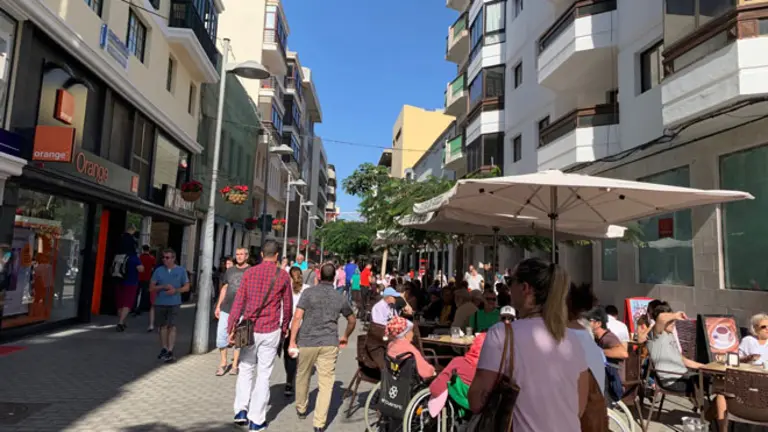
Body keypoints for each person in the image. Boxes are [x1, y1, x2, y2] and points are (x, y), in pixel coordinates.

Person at [468, 258, 591, 432]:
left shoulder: (502, 334)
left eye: (511, 282)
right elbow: (579, 406)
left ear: (525, 288)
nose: (508, 288)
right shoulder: (573, 339)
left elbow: (476, 401)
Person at [227, 241, 292, 430]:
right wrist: (285, 326)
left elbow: (239, 302)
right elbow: (287, 306)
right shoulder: (283, 276)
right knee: (264, 375)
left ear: (262, 254)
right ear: (277, 255)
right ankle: (256, 420)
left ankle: (241, 410)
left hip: (248, 328)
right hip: (271, 329)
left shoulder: (249, 273)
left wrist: (231, 327)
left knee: (246, 368)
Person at [289, 263, 356, 432]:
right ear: (334, 278)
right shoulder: (339, 297)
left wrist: (292, 341)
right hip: (329, 342)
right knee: (326, 383)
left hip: (306, 341)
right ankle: (319, 423)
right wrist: (346, 336)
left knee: (302, 376)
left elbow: (297, 318)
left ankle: (301, 408)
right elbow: (352, 319)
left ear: (318, 276)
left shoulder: (308, 292)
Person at [646, 302, 728, 431]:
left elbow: (683, 360)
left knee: (719, 384)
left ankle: (710, 416)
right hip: (672, 381)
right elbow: (661, 318)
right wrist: (675, 314)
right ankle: (718, 423)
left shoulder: (670, 335)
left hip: (684, 375)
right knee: (719, 389)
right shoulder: (656, 335)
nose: (674, 324)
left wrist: (706, 367)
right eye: (671, 321)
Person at [214, 248, 250, 376]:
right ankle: (223, 363)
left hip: (243, 310)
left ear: (247, 256)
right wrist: (218, 305)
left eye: (241, 254)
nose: (239, 257)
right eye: (237, 254)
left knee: (240, 338)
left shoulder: (251, 271)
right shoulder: (229, 271)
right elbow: (224, 288)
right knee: (221, 336)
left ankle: (235, 365)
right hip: (227, 308)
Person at [149, 249, 189, 363]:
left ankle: (170, 350)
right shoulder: (158, 271)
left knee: (172, 326)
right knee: (162, 326)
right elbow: (151, 287)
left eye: (167, 257)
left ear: (173, 258)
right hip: (160, 302)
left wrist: (176, 290)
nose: (165, 260)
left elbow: (186, 287)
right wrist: (162, 286)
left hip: (174, 302)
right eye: (163, 257)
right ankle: (164, 348)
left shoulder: (181, 271)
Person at [585, 306, 628, 383]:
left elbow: (624, 353)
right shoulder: (598, 338)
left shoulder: (608, 337)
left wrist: (599, 351)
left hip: (613, 383)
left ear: (598, 323)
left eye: (590, 320)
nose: (587, 323)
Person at [283, 266, 308, 397]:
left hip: (288, 324)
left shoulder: (285, 288)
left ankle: (289, 380)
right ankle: (294, 378)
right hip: (302, 325)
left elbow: (282, 307)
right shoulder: (307, 289)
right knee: (296, 352)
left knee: (288, 353)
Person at [114, 232, 144, 332]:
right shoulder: (134, 257)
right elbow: (141, 269)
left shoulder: (118, 255)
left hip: (119, 280)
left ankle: (122, 321)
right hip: (131, 282)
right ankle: (121, 322)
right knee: (127, 303)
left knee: (120, 303)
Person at [137, 245, 156, 331]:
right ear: (149, 250)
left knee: (137, 293)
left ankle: (135, 308)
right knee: (145, 293)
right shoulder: (152, 258)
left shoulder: (139, 257)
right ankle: (143, 307)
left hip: (138, 277)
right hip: (147, 277)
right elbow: (153, 268)